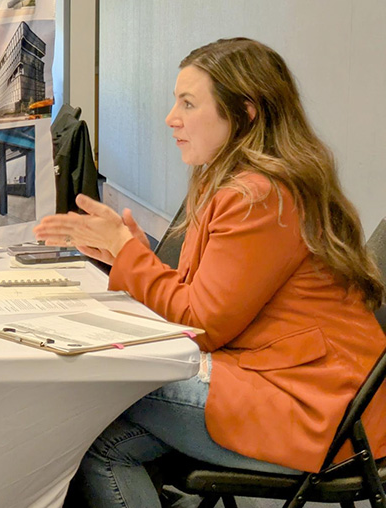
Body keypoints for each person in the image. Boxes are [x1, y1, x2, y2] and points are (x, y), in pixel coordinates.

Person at [34, 37, 386, 508]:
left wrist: (126, 252)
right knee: (102, 439)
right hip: (301, 387)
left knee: (86, 401)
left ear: (245, 111)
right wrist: (128, 255)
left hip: (315, 410)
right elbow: (207, 298)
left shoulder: (258, 195)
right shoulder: (250, 182)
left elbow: (202, 324)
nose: (171, 118)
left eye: (188, 103)